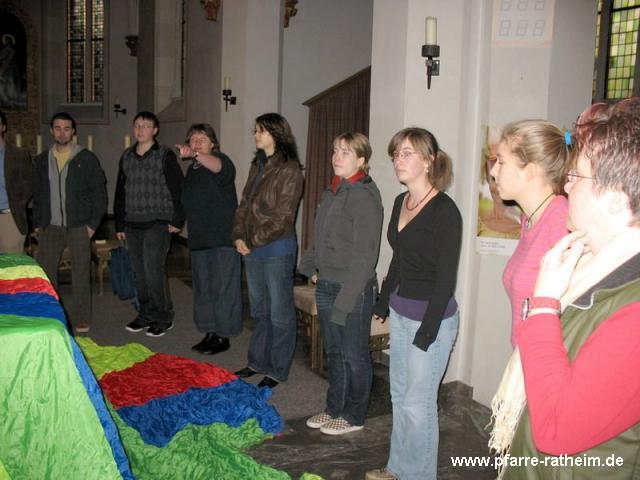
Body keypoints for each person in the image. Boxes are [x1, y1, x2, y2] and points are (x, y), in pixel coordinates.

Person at [491, 97, 640, 479]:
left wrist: (543, 305)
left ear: (615, 198)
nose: (566, 186)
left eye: (576, 177)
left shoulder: (633, 306)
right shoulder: (597, 265)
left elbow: (557, 428)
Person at [366, 128, 462, 480]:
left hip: (430, 320)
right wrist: (382, 302)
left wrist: (429, 330)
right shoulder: (400, 202)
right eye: (395, 154)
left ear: (429, 160)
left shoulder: (445, 211)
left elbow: (445, 279)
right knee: (400, 398)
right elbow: (399, 258)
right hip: (401, 312)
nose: (398, 160)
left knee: (418, 406)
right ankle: (397, 469)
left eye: (407, 153)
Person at [299, 132, 383, 435]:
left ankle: (354, 415)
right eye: (335, 150)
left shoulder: (364, 196)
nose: (337, 157)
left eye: (346, 152)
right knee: (334, 352)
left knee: (353, 354)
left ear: (362, 160)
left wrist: (345, 300)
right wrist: (310, 267)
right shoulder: (333, 191)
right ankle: (334, 408)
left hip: (353, 289)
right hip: (327, 284)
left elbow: (365, 257)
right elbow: (321, 237)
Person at [232, 112, 304, 389]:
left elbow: (282, 218)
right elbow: (244, 204)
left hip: (276, 249)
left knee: (279, 313)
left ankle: (277, 369)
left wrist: (251, 240)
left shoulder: (290, 169)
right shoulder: (258, 164)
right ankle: (257, 362)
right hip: (252, 248)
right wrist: (238, 236)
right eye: (255, 130)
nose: (256, 135)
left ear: (276, 133)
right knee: (261, 311)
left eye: (261, 130)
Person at [489, 120, 569, 347]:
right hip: (525, 353)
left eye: (501, 162)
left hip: (546, 355)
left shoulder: (561, 222)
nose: (493, 171)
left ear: (530, 171)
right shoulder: (530, 219)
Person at [33, 112, 107, 333]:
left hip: (79, 225)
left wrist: (92, 225)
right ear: (51, 131)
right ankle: (52, 315)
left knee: (81, 273)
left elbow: (99, 194)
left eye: (66, 128)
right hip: (50, 226)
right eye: (57, 128)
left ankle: (81, 317)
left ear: (73, 131)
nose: (62, 133)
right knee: (46, 272)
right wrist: (38, 223)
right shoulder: (42, 160)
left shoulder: (86, 158)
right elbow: (38, 194)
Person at [114, 111, 184, 337]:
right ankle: (145, 314)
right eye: (137, 125)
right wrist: (119, 224)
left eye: (146, 126)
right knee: (139, 272)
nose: (140, 129)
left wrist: (177, 219)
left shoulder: (164, 155)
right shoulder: (126, 156)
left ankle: (163, 316)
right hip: (132, 223)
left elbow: (177, 188)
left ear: (155, 130)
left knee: (153, 270)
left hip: (157, 222)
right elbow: (120, 192)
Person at [176, 123, 242, 355]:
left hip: (222, 238)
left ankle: (224, 334)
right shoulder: (192, 171)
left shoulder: (221, 161)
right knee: (203, 288)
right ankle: (210, 331)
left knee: (223, 288)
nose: (196, 142)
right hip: (199, 239)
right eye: (193, 139)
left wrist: (195, 154)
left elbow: (217, 166)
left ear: (213, 143)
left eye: (202, 139)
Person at [0, 110, 32, 253]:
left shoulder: (18, 154)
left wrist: (17, 204)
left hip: (9, 218)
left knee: (10, 263)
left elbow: (29, 184)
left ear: (3, 127)